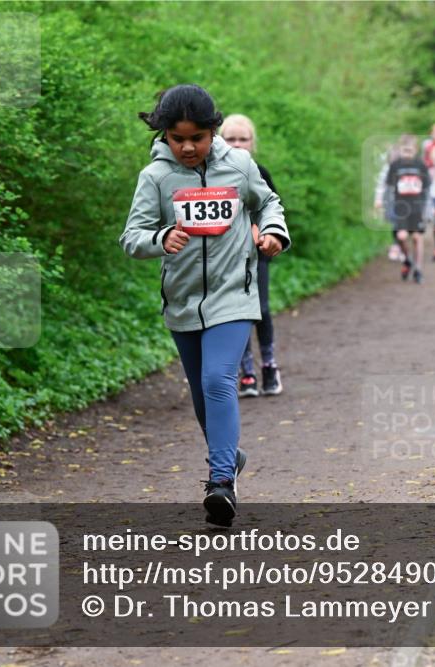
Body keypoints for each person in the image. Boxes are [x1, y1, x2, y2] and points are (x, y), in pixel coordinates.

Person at [120, 85, 290, 526]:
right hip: (182, 301)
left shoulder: (239, 167)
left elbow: (268, 202)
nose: (189, 147)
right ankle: (229, 455)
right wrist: (160, 238)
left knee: (219, 379)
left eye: (198, 137)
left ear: (213, 131)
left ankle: (220, 482)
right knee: (202, 397)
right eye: (178, 139)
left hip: (234, 294)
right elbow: (132, 237)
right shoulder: (155, 178)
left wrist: (272, 231)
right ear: (165, 136)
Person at [219, 113, 283, 398]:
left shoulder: (260, 172)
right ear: (219, 141)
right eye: (230, 139)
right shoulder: (213, 176)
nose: (236, 144)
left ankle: (269, 365)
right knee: (237, 312)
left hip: (257, 252)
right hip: (226, 256)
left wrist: (264, 232)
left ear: (252, 143)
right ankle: (247, 372)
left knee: (262, 308)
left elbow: (272, 208)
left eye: (242, 139)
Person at [379, 135, 430, 284]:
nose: (407, 153)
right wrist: (387, 206)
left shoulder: (421, 165)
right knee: (401, 237)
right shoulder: (395, 166)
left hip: (417, 207)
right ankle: (407, 260)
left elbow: (427, 187)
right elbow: (389, 187)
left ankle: (418, 269)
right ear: (400, 150)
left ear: (416, 150)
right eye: (404, 150)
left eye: (410, 150)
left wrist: (426, 208)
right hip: (401, 207)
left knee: (416, 237)